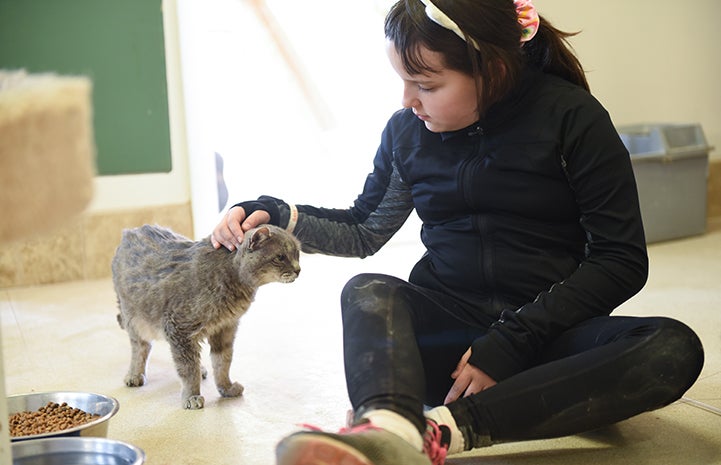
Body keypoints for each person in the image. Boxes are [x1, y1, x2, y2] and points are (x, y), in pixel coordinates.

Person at [211, 1, 705, 464]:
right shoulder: (407, 133)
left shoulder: (572, 119)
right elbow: (364, 228)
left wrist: (514, 339)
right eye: (404, 82)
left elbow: (620, 260)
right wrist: (271, 211)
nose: (408, 101)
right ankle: (387, 424)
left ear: (490, 70)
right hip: (449, 352)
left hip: (546, 344)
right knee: (369, 293)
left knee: (670, 346)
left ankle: (436, 433)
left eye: (425, 85)